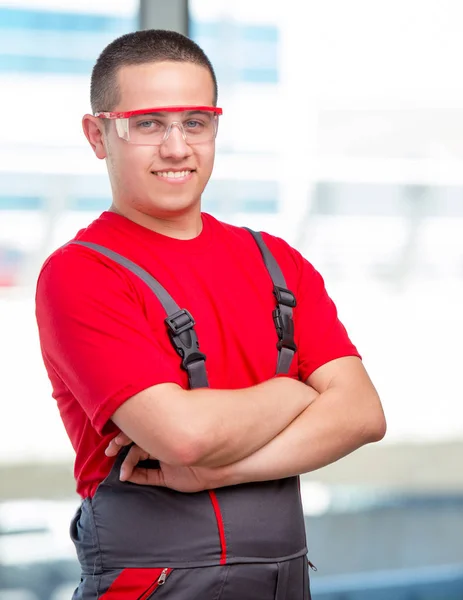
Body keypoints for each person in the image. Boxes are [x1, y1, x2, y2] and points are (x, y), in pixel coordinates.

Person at [35, 29, 386, 600]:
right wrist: (294, 394)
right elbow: (185, 437)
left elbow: (363, 415)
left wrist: (223, 472)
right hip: (151, 583)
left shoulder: (277, 261)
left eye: (195, 122)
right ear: (98, 135)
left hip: (284, 579)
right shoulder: (80, 275)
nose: (177, 147)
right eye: (148, 124)